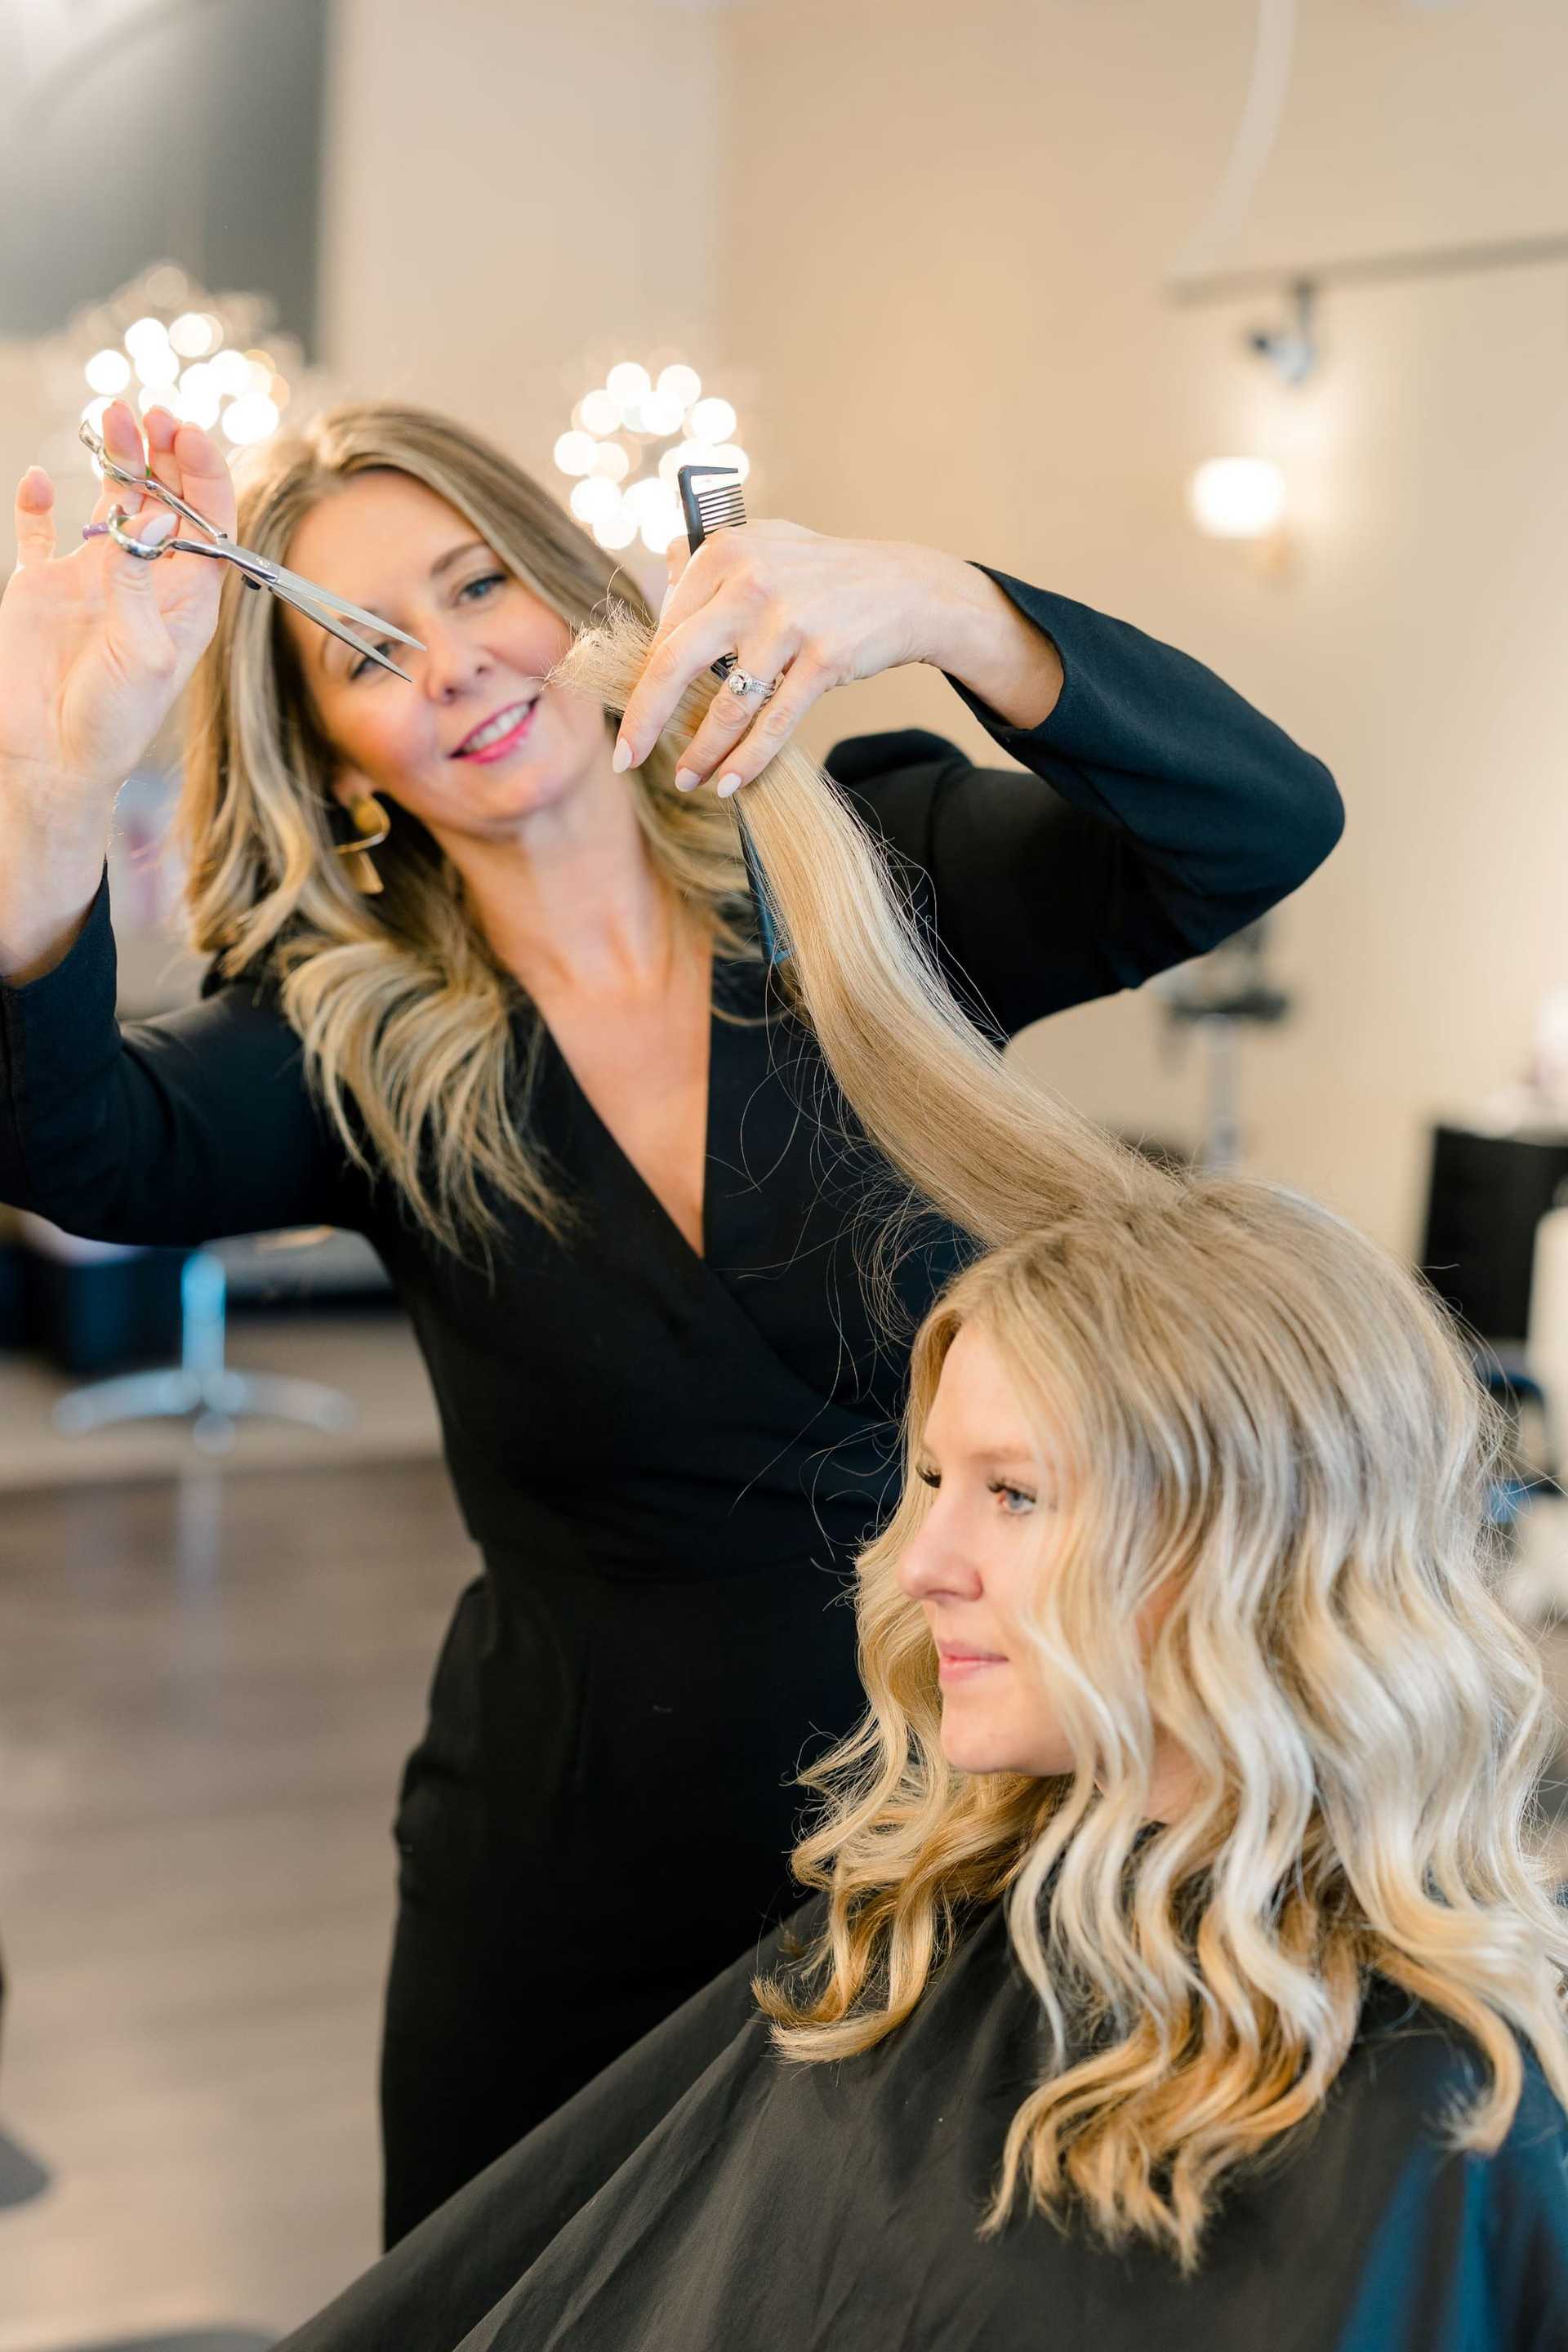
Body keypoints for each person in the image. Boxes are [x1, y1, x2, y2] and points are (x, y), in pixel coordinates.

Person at [0, 394, 1343, 2242]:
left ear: (577, 591)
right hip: (570, 1881)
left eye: (483, 584)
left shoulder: (877, 882)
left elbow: (1262, 825)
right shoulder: (350, 1048)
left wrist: (937, 608)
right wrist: (55, 790)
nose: (456, 660)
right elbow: (71, 1138)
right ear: (343, 761)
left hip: (971, 1835)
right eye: (368, 653)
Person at [271, 996, 1568, 2351]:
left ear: (1246, 1539)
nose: (921, 1560)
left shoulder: (1438, 2115)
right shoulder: (928, 1924)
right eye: (936, 1478)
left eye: (1013, 1495)